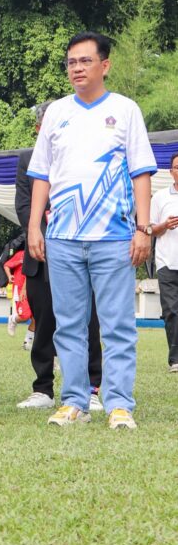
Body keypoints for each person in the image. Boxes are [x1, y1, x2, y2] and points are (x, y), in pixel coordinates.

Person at [27, 32, 156, 430]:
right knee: (69, 324)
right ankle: (74, 402)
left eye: (84, 61)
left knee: (117, 324)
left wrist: (143, 229)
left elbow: (141, 173)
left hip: (115, 237)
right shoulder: (56, 113)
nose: (77, 68)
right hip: (63, 237)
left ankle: (118, 404)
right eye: (71, 62)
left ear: (105, 65)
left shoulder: (126, 110)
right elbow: (42, 175)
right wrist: (35, 226)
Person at [16, 102, 104, 411]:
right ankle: (43, 388)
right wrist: (38, 231)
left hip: (81, 249)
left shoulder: (83, 154)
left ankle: (91, 388)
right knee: (44, 322)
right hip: (41, 255)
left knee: (87, 321)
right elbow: (25, 206)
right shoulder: (27, 160)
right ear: (40, 128)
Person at [150, 152, 178, 372]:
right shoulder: (159, 197)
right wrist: (164, 226)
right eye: (177, 167)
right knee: (171, 310)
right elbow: (150, 229)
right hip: (167, 261)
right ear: (171, 172)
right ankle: (175, 359)